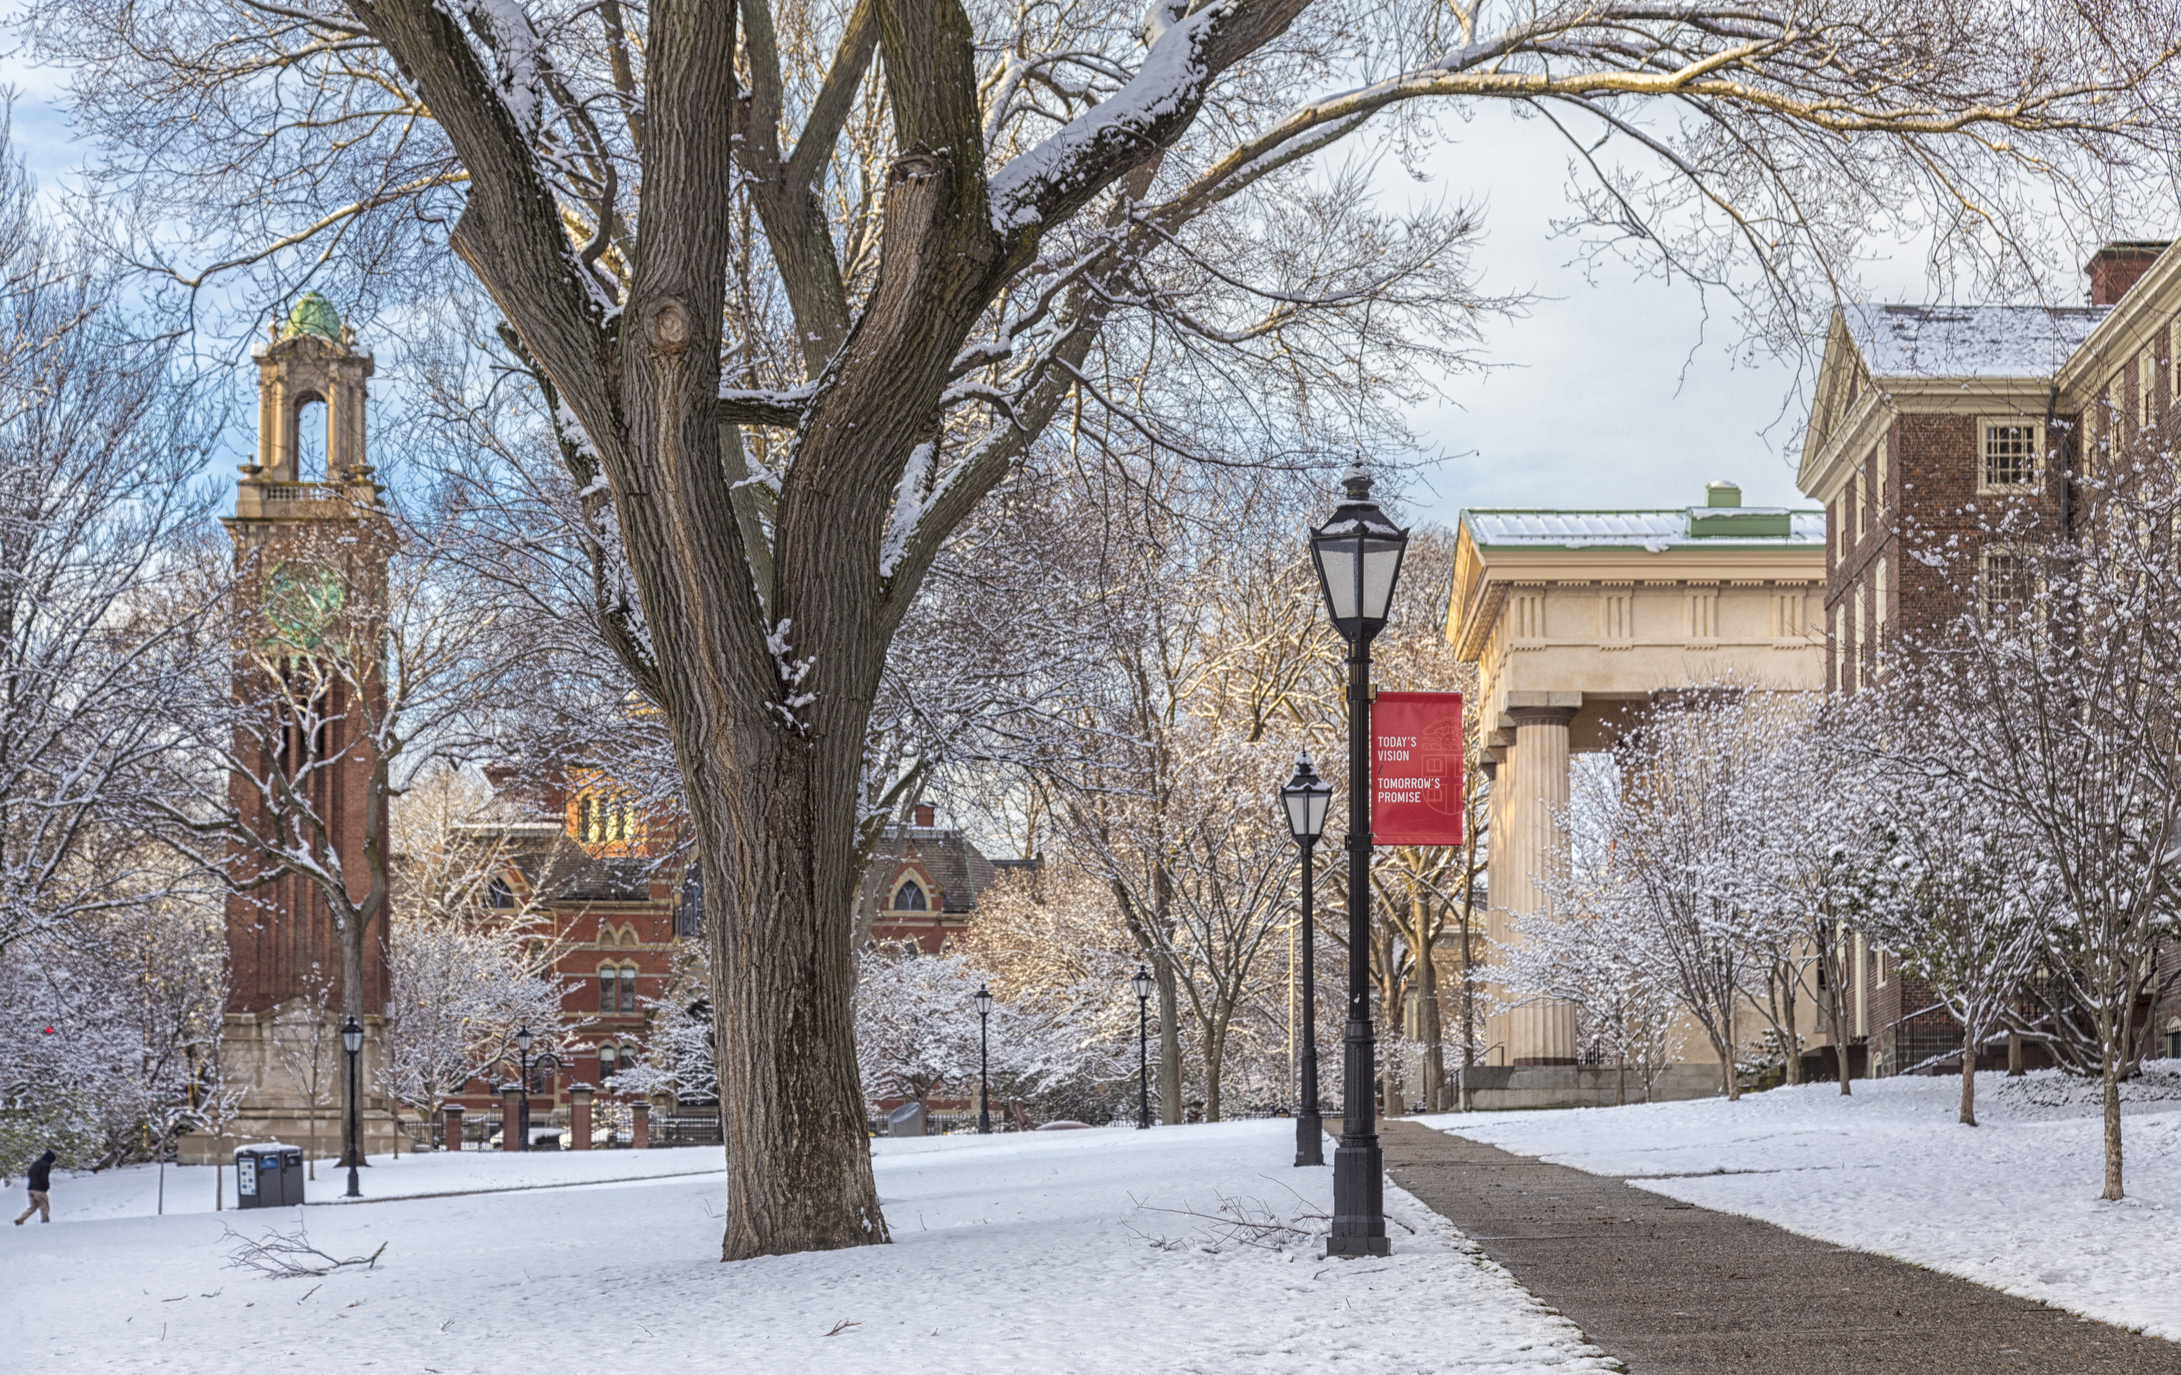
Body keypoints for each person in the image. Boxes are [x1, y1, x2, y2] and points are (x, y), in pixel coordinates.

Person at [14, 1148, 55, 1225]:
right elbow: (44, 1177)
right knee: (45, 1207)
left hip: (31, 1188)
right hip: (39, 1190)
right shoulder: (45, 1165)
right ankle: (45, 1223)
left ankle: (20, 1219)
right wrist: (46, 1186)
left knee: (33, 1207)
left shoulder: (36, 1163)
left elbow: (29, 1174)